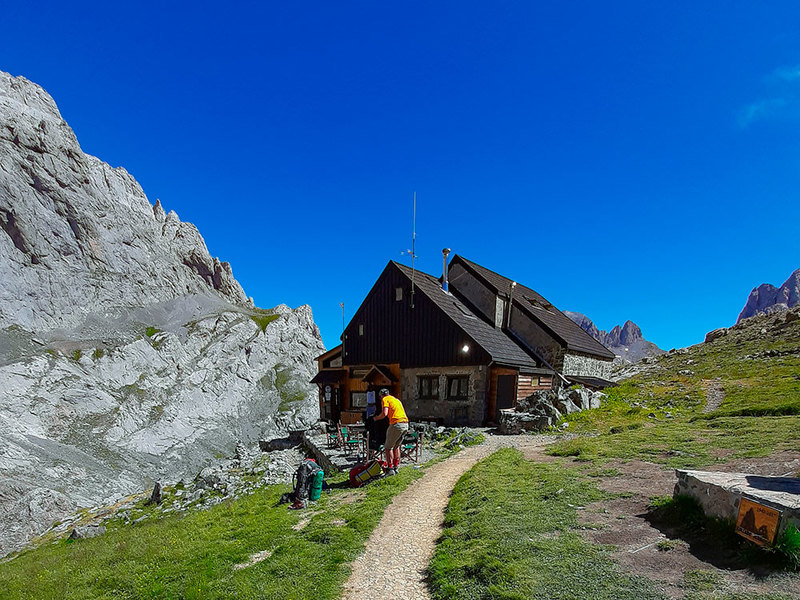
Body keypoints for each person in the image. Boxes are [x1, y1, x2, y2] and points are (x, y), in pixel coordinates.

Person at [373, 388, 409, 476]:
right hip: (405, 424)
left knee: (388, 447)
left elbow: (384, 413)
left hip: (396, 424)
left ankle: (390, 469)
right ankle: (396, 467)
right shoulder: (396, 400)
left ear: (381, 395)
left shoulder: (385, 399)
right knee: (396, 446)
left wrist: (376, 418)